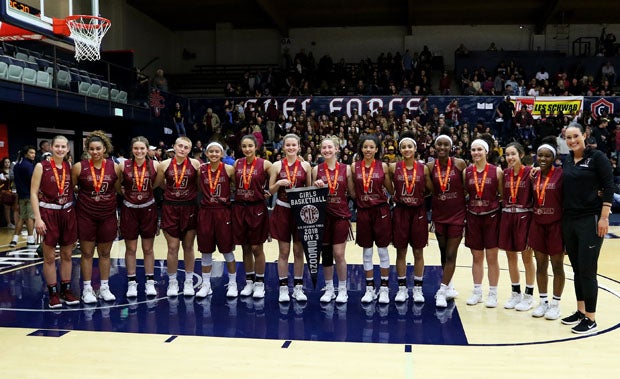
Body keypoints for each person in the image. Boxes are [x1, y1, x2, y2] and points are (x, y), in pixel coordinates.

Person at [560, 122, 614, 334]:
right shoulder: (567, 160)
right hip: (569, 220)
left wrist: (604, 217)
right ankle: (581, 311)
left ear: (585, 135)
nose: (572, 141)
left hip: (590, 219)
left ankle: (591, 319)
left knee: (587, 271)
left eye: (576, 136)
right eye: (568, 137)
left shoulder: (597, 157)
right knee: (576, 270)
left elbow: (609, 186)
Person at [30, 135, 80, 308]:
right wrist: (38, 218)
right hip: (48, 213)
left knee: (67, 255)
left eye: (63, 146)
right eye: (57, 146)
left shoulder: (69, 166)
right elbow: (33, 193)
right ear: (51, 147)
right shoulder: (41, 166)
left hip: (67, 213)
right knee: (49, 257)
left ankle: (66, 290)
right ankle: (53, 293)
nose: (60, 149)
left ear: (67, 149)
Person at [72, 131, 119, 304]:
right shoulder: (79, 167)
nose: (95, 152)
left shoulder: (114, 167)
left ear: (105, 149)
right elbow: (72, 188)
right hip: (85, 215)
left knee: (105, 253)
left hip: (107, 214)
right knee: (86, 253)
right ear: (87, 150)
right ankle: (87, 289)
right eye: (91, 149)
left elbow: (119, 189)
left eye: (98, 148)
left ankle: (104, 288)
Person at [154, 136, 201, 297]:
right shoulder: (163, 165)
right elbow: (159, 184)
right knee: (172, 247)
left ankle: (188, 281)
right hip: (170, 208)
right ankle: (173, 282)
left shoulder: (195, 164)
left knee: (188, 247)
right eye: (180, 146)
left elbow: (200, 185)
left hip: (190, 208)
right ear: (174, 147)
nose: (182, 149)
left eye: (186, 147)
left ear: (190, 149)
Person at [389, 132, 433, 303]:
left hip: (418, 212)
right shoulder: (393, 167)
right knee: (401, 251)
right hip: (400, 211)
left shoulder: (424, 168)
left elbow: (430, 189)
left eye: (410, 146)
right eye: (403, 147)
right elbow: (389, 186)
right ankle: (401, 288)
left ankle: (417, 288)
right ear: (400, 149)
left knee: (418, 251)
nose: (407, 149)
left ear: (415, 148)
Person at [269, 133, 312, 302]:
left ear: (299, 147)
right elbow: (270, 191)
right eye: (288, 145)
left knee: (298, 251)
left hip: (300, 212)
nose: (291, 148)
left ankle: (299, 288)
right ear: (283, 146)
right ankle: (283, 288)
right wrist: (278, 184)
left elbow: (309, 190)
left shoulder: (306, 166)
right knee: (284, 251)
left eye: (294, 145)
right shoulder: (276, 165)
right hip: (282, 210)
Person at [351, 134, 394, 304]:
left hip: (381, 211)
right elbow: (353, 191)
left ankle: (384, 288)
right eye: (365, 147)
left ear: (377, 149)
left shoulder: (383, 166)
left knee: (383, 250)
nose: (368, 150)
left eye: (371, 147)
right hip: (363, 212)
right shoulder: (354, 167)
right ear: (361, 149)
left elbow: (391, 188)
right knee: (367, 251)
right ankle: (369, 288)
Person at [312, 137, 355, 303]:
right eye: (324, 148)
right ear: (321, 150)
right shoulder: (316, 170)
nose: (327, 150)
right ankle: (329, 288)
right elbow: (310, 195)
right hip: (323, 216)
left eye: (330, 147)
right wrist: (316, 186)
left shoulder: (347, 169)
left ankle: (343, 288)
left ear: (337, 149)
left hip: (340, 215)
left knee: (339, 254)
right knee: (327, 254)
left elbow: (352, 193)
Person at [463, 135, 504, 307]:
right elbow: (466, 193)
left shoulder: (497, 171)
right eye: (473, 150)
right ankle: (477, 292)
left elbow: (501, 194)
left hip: (492, 215)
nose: (476, 152)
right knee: (476, 257)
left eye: (479, 149)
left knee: (492, 257)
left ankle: (493, 293)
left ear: (486, 151)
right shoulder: (467, 172)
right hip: (473, 216)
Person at [117, 136, 160, 298]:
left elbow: (157, 184)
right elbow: (118, 185)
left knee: (148, 249)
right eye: (136, 148)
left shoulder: (155, 165)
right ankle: (132, 283)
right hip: (129, 209)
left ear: (147, 149)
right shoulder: (123, 165)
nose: (139, 151)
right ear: (132, 149)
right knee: (131, 248)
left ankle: (150, 282)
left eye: (142, 148)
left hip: (148, 209)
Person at [195, 142, 239, 298]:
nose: (214, 154)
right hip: (206, 212)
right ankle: (206, 284)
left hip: (223, 212)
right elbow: (198, 188)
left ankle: (233, 283)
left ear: (222, 154)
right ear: (206, 154)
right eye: (211, 151)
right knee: (206, 250)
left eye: (217, 151)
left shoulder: (228, 169)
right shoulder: (201, 170)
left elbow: (236, 186)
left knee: (227, 250)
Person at [429, 131, 466, 308]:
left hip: (457, 215)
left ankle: (442, 291)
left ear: (451, 147)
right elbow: (428, 189)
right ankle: (449, 285)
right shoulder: (430, 166)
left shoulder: (459, 164)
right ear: (435, 147)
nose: (442, 147)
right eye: (439, 144)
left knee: (451, 254)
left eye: (446, 145)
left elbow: (468, 186)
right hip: (439, 215)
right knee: (443, 253)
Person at [529, 138, 565, 320]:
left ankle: (555, 304)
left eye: (547, 156)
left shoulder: (561, 174)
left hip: (556, 225)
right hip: (537, 224)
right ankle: (543, 302)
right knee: (541, 265)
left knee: (557, 265)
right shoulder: (533, 175)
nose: (542, 158)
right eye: (540, 155)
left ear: (554, 158)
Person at [233, 134, 272, 299]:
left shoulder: (265, 164)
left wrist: (271, 189)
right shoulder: (237, 163)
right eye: (244, 146)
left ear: (256, 147)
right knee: (245, 247)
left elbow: (278, 175)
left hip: (257, 208)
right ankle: (249, 281)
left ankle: (260, 283)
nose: (247, 149)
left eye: (250, 146)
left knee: (257, 247)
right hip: (241, 207)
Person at [498, 142, 535, 311]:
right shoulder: (504, 174)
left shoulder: (531, 172)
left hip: (525, 217)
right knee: (510, 257)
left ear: (521, 155)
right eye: (507, 154)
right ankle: (515, 293)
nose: (510, 157)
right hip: (507, 216)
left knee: (527, 258)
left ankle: (528, 296)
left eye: (513, 154)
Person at [10, 145, 37, 248]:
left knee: (22, 217)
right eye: (31, 153)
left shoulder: (17, 165)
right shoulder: (29, 166)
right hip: (30, 195)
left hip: (21, 195)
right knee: (30, 217)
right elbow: (32, 181)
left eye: (34, 153)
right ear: (25, 154)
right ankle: (30, 240)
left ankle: (14, 239)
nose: (33, 155)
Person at [0, 157, 16, 228]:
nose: (7, 164)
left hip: (13, 191)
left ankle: (16, 222)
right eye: (5, 162)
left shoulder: (12, 171)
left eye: (8, 162)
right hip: (4, 192)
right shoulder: (1, 171)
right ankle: (9, 223)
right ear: (3, 163)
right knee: (7, 208)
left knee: (15, 207)